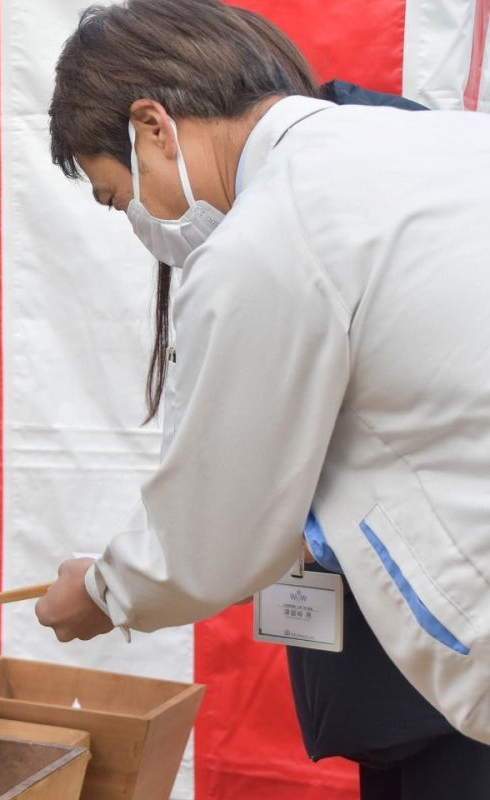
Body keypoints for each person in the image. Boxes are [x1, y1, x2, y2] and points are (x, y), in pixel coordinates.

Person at [35, 0, 490, 752]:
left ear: (152, 125)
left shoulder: (274, 229)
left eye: (121, 195)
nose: (140, 221)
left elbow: (215, 529)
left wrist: (102, 592)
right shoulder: (443, 139)